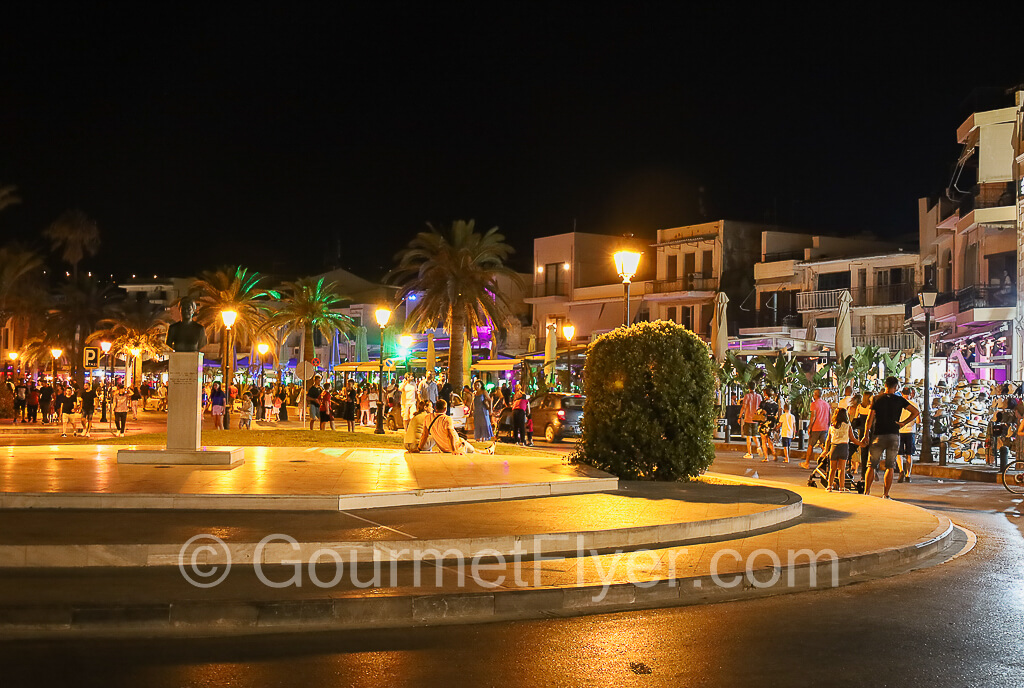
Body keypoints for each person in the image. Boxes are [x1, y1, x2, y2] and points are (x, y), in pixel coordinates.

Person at [859, 376, 920, 499]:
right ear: (896, 387)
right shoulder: (899, 400)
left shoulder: (876, 399)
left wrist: (866, 434)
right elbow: (915, 412)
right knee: (890, 466)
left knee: (871, 465)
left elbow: (869, 419)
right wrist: (903, 423)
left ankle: (867, 492)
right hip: (893, 435)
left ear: (885, 385)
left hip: (878, 435)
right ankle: (886, 494)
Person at [823, 408, 852, 492]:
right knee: (842, 469)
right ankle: (841, 487)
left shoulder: (832, 426)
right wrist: (861, 443)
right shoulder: (847, 425)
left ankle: (829, 486)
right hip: (844, 447)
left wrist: (825, 450)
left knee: (832, 469)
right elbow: (852, 438)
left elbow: (828, 439)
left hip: (834, 447)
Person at [800, 389, 831, 469]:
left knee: (811, 445)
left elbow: (813, 417)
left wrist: (809, 427)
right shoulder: (826, 404)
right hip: (825, 427)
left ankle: (807, 463)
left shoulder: (814, 404)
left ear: (815, 395)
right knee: (824, 445)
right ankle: (828, 461)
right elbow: (830, 416)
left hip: (816, 427)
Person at [898, 386, 917, 483]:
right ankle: (908, 474)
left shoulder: (898, 404)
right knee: (909, 454)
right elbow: (918, 420)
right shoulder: (914, 404)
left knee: (899, 454)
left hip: (900, 431)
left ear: (902, 393)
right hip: (911, 431)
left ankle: (901, 470)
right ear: (910, 393)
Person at [738, 382, 762, 459]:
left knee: (748, 437)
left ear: (749, 388)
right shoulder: (759, 396)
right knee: (755, 436)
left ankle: (749, 453)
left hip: (748, 418)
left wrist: (740, 416)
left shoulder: (747, 396)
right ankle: (759, 447)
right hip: (756, 419)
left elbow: (744, 407)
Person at [758, 388, 780, 462]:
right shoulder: (775, 404)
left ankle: (766, 457)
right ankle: (774, 453)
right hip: (772, 422)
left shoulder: (763, 403)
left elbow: (760, 411)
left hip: (764, 422)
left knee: (763, 440)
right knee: (770, 439)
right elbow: (776, 415)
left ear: (765, 394)